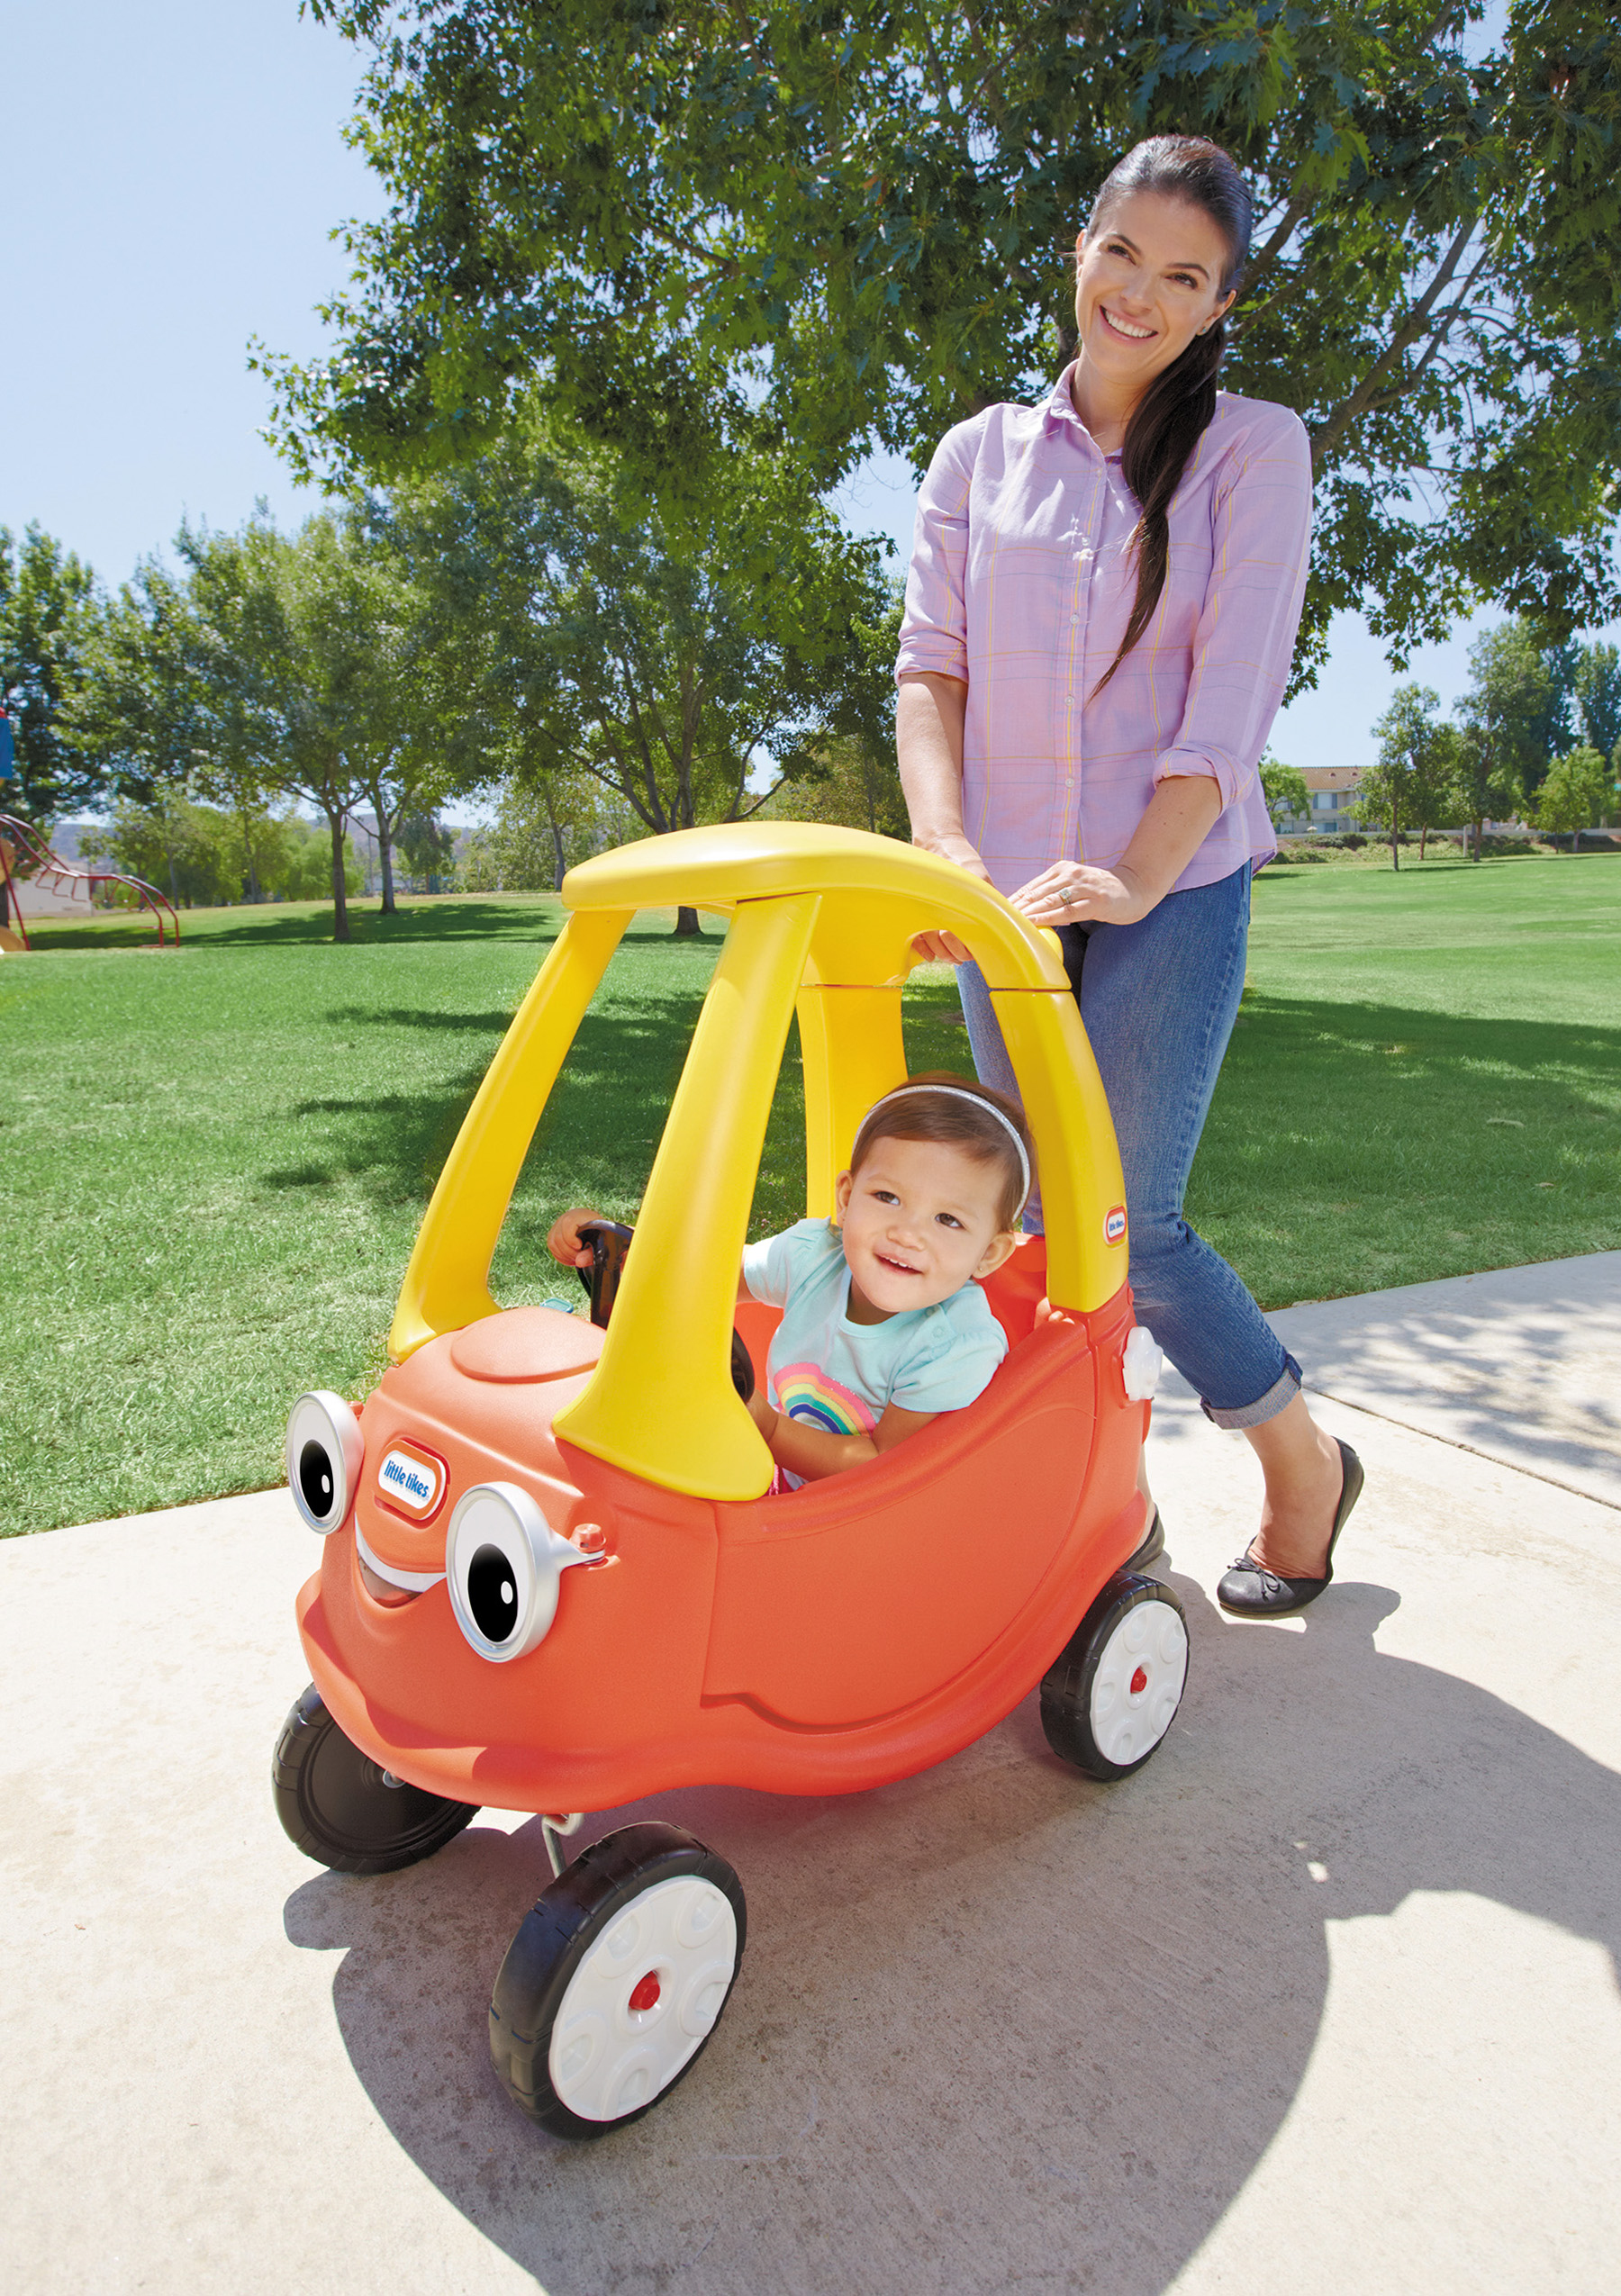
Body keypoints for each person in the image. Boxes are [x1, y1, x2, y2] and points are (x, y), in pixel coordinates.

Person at [894, 133, 1362, 1617]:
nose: (1141, 296)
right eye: (1123, 255)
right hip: (1005, 907)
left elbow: (1228, 702)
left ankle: (1303, 1471)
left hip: (1177, 884)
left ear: (1221, 304)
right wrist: (950, 856)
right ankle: (1099, 1508)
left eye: (1185, 276)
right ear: (1079, 248)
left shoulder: (1252, 451)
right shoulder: (978, 456)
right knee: (1021, 1221)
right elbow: (930, 676)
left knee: (1128, 1224)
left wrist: (1144, 875)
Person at [547, 1075, 1032, 1488]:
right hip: (772, 1475)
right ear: (846, 1199)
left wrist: (767, 1426)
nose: (907, 1234)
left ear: (988, 1253)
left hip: (868, 1526)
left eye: (948, 1220)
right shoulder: (814, 1257)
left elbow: (883, 1468)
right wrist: (626, 1253)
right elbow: (702, 1285)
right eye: (887, 1197)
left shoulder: (954, 1346)